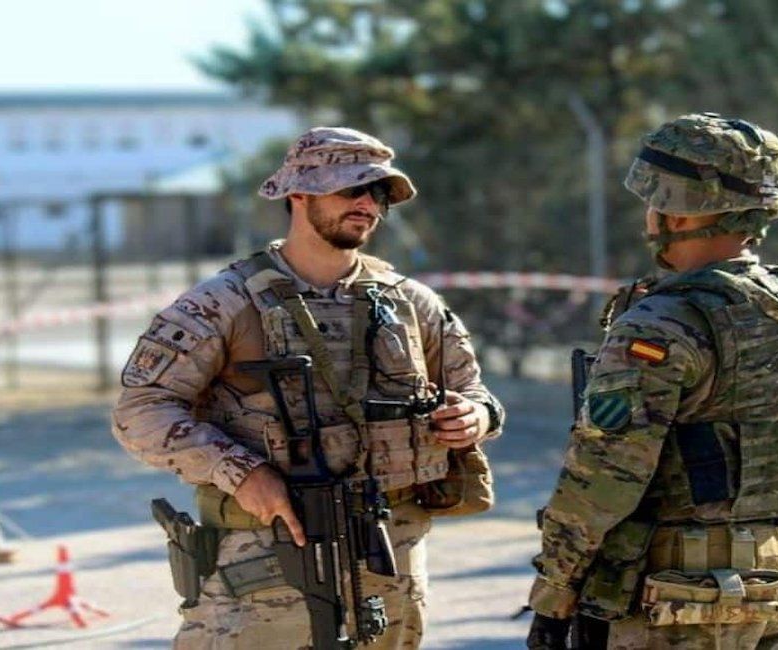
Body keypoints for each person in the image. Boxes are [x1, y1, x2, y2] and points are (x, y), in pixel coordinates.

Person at [113, 126, 504, 649]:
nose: (368, 204)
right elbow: (140, 411)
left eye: (379, 193)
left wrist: (475, 418)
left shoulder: (413, 303)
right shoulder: (225, 303)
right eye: (352, 189)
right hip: (268, 552)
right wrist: (242, 472)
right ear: (298, 193)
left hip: (388, 556)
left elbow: (475, 395)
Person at [526, 113, 778, 649]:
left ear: (675, 210)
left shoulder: (659, 323)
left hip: (680, 602)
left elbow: (604, 476)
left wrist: (554, 591)